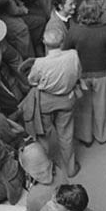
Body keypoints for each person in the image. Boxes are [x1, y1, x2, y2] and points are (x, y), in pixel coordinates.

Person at [21, 27, 82, 177]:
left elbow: (31, 80)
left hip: (45, 103)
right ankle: (71, 168)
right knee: (66, 135)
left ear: (44, 43)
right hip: (66, 100)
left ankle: (45, 170)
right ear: (62, 42)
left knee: (43, 136)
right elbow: (78, 73)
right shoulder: (73, 55)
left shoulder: (40, 63)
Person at [64, 0, 106, 146]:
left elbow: (66, 53)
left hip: (82, 74)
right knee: (103, 105)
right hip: (103, 73)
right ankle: (102, 135)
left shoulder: (74, 31)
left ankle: (85, 137)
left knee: (83, 107)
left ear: (81, 12)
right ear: (98, 12)